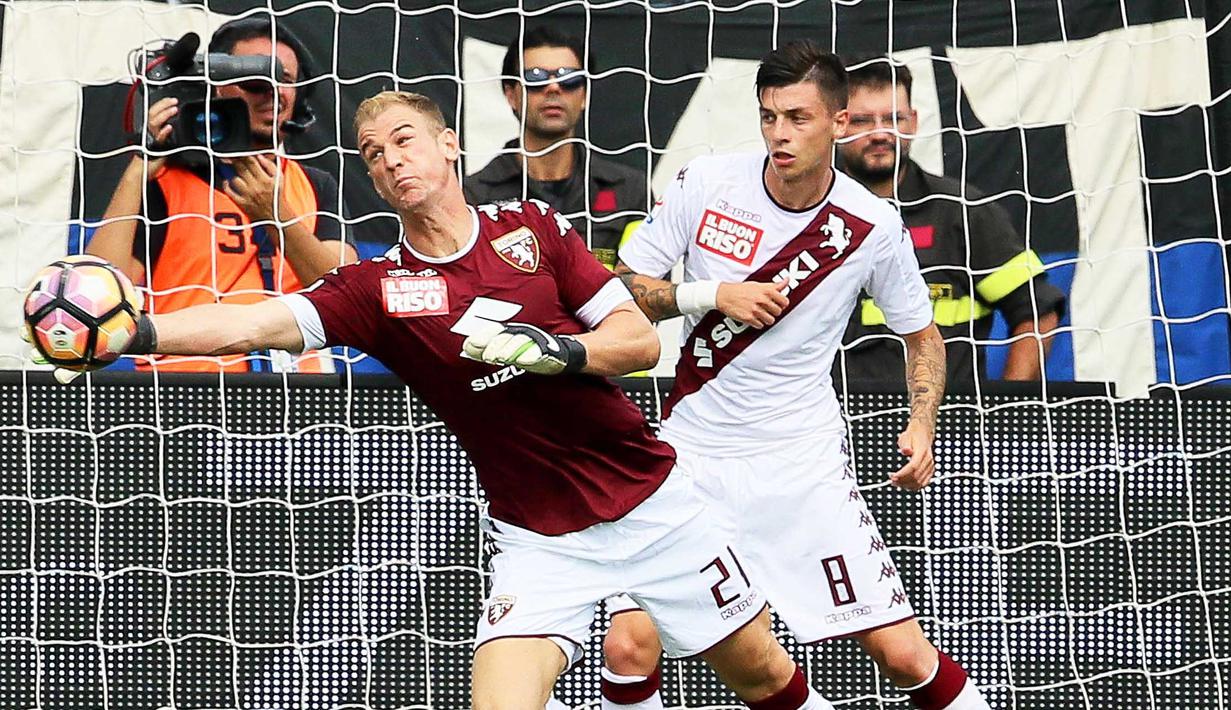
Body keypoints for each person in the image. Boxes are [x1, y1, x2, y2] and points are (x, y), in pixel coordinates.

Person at [54, 90, 838, 710]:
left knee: (765, 679)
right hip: (540, 542)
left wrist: (555, 352)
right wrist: (133, 330)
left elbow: (638, 344)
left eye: (404, 139)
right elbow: (251, 319)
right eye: (372, 154)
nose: (391, 160)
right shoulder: (375, 289)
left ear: (449, 144)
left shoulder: (533, 229)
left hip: (657, 507)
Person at [605, 42, 991, 710]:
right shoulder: (706, 183)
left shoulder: (871, 225)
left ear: (839, 124)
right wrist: (709, 295)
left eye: (797, 118)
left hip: (798, 465)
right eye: (768, 117)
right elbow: (622, 286)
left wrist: (921, 422)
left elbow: (921, 335)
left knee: (902, 657)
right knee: (627, 645)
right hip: (691, 457)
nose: (779, 134)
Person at [87, 15, 357, 373]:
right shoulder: (166, 181)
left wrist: (276, 216)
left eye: (286, 81)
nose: (273, 94)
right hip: (184, 398)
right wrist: (139, 165)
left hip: (297, 401)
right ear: (216, 87)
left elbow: (348, 296)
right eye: (256, 81)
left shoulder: (315, 184)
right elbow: (95, 294)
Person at [835, 57, 1065, 390]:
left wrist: (1006, 414)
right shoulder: (805, 210)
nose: (881, 133)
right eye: (862, 121)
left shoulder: (963, 211)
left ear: (913, 122)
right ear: (837, 124)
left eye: (893, 118)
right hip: (827, 430)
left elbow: (1038, 311)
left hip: (946, 429)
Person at [464, 26, 648, 270]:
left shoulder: (630, 190)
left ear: (584, 95)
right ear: (511, 95)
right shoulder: (474, 196)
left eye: (568, 78)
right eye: (535, 77)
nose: (553, 88)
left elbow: (646, 280)